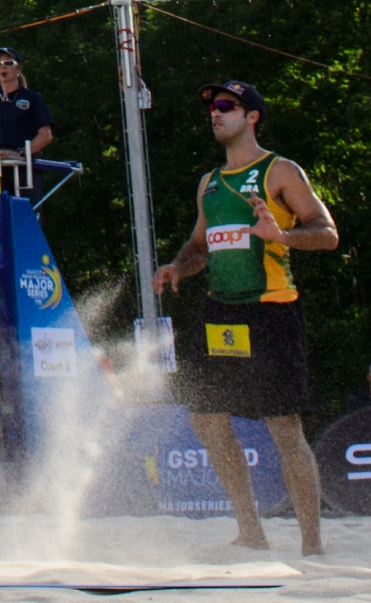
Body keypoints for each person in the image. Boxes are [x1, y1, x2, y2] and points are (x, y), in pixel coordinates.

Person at [154, 80, 337, 557]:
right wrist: (178, 267)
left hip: (272, 309)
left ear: (251, 115)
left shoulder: (280, 170)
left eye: (225, 107)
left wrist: (283, 235)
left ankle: (311, 545)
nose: (214, 114)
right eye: (211, 107)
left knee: (284, 428)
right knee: (208, 419)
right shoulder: (210, 182)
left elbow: (327, 233)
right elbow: (199, 247)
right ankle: (250, 530)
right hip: (222, 309)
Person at [0, 47, 54, 158]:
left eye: (8, 62)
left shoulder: (33, 98)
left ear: (18, 69)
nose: (2, 66)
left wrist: (21, 153)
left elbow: (45, 134)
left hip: (25, 166)